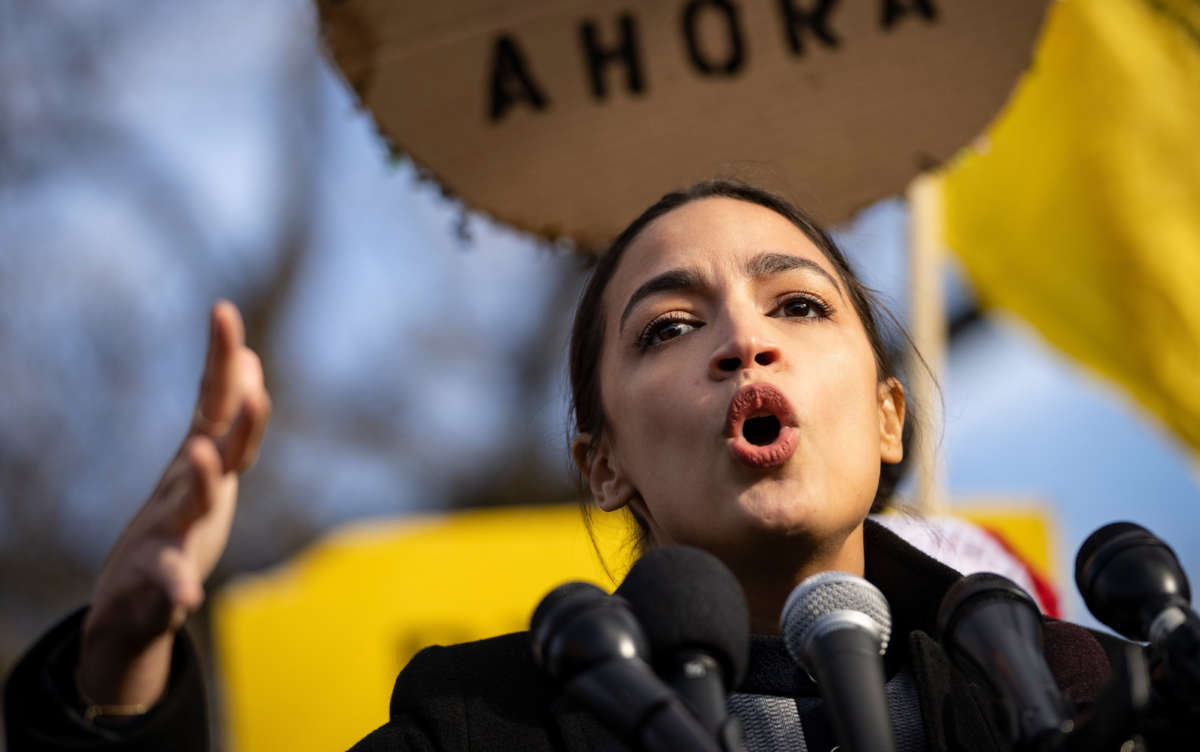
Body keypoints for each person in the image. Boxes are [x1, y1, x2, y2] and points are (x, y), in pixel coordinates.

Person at [5, 181, 1129, 751]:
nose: (744, 337)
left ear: (891, 416)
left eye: (796, 302)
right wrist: (120, 660)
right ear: (602, 461)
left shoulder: (1072, 692)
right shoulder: (477, 723)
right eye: (669, 327)